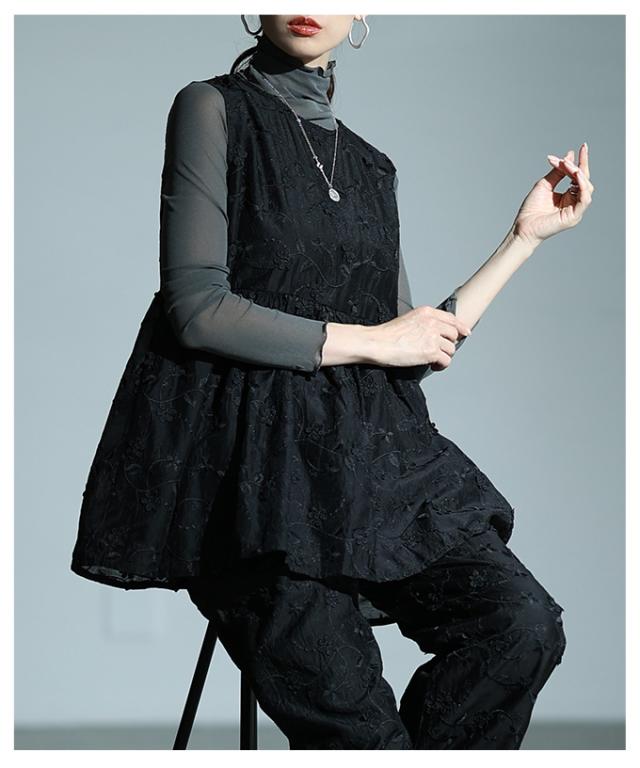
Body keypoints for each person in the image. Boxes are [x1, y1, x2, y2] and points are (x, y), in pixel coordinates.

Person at [71, 14, 594, 749]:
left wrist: (522, 239)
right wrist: (378, 341)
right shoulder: (211, 107)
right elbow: (195, 307)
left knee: (521, 626)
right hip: (251, 482)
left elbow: (411, 346)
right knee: (362, 739)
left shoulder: (373, 168)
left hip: (368, 469)